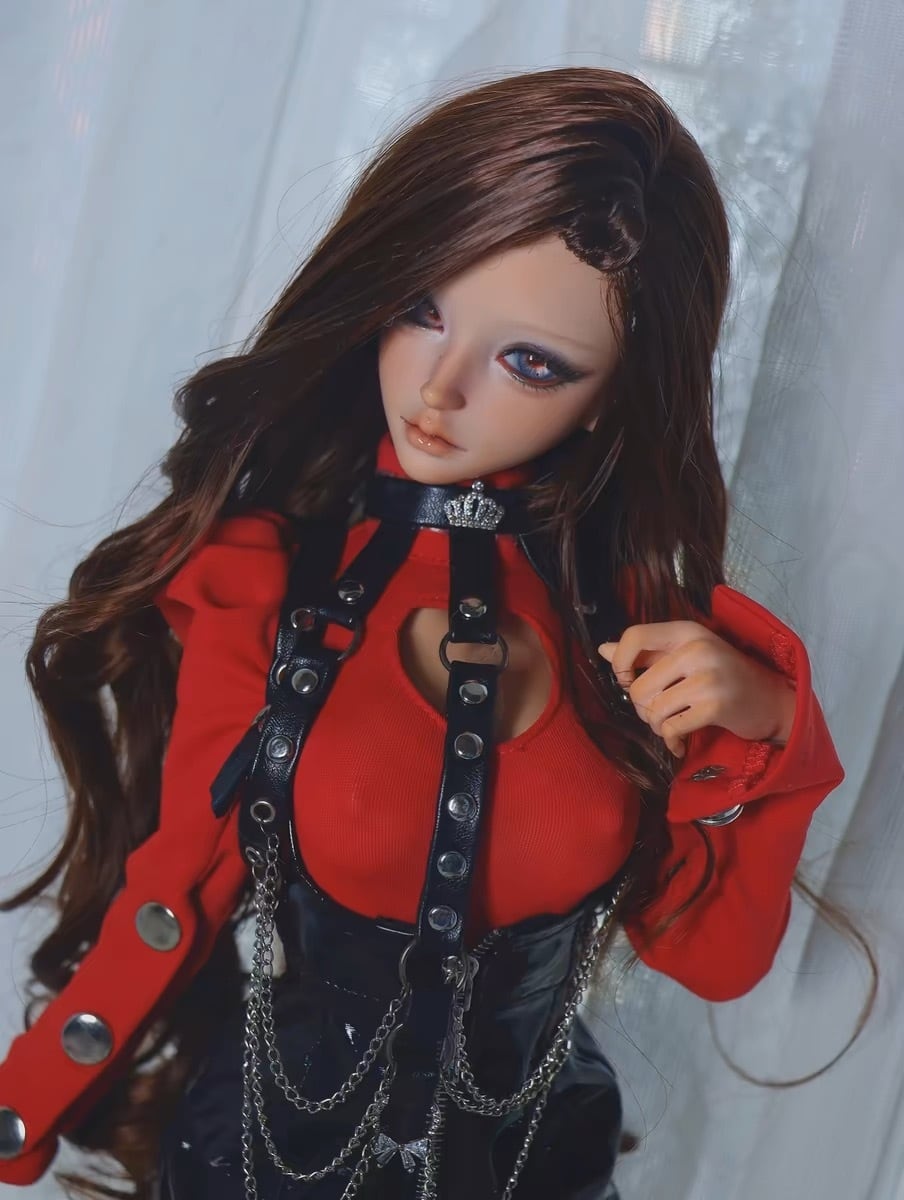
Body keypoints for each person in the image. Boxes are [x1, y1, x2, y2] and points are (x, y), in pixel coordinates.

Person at [0, 67, 851, 1200]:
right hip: (269, 1159)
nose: (438, 391)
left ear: (613, 390)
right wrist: (28, 1098)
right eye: (420, 309)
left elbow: (713, 955)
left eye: (529, 362)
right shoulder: (268, 587)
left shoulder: (641, 632)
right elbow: (180, 886)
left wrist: (764, 731)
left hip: (534, 1162)